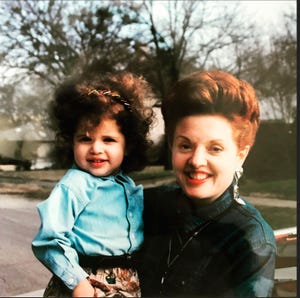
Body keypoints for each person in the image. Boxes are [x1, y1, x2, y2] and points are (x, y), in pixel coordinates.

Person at [139, 70, 276, 297]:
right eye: (185, 145)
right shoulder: (147, 204)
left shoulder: (251, 239)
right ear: (172, 146)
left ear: (241, 154)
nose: (196, 160)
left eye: (215, 148)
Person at [32, 72, 155, 297]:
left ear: (127, 146)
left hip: (127, 282)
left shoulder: (127, 186)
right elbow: (49, 240)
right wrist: (77, 283)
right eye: (85, 139)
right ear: (72, 142)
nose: (96, 148)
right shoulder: (74, 185)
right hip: (87, 283)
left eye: (108, 140)